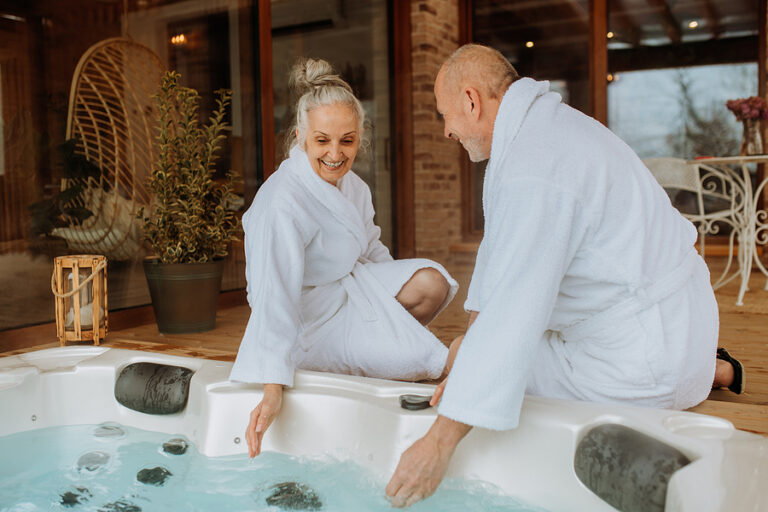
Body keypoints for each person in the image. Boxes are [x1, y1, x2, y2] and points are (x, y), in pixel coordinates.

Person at [385, 44, 745, 508]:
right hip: (678, 324)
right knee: (467, 354)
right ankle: (704, 368)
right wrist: (469, 356)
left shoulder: (532, 171)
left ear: (472, 101)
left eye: (444, 115)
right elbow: (496, 275)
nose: (448, 130)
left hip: (641, 359)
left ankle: (688, 374)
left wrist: (439, 443)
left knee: (479, 363)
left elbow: (512, 319)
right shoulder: (549, 130)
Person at [229, 58, 459, 458]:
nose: (335, 154)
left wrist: (387, 309)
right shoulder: (282, 201)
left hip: (351, 290)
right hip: (308, 323)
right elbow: (273, 295)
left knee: (431, 281)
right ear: (301, 136)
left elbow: (371, 251)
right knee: (429, 361)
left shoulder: (353, 187)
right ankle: (371, 354)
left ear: (360, 138)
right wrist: (272, 387)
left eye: (347, 141)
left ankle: (379, 348)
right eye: (322, 140)